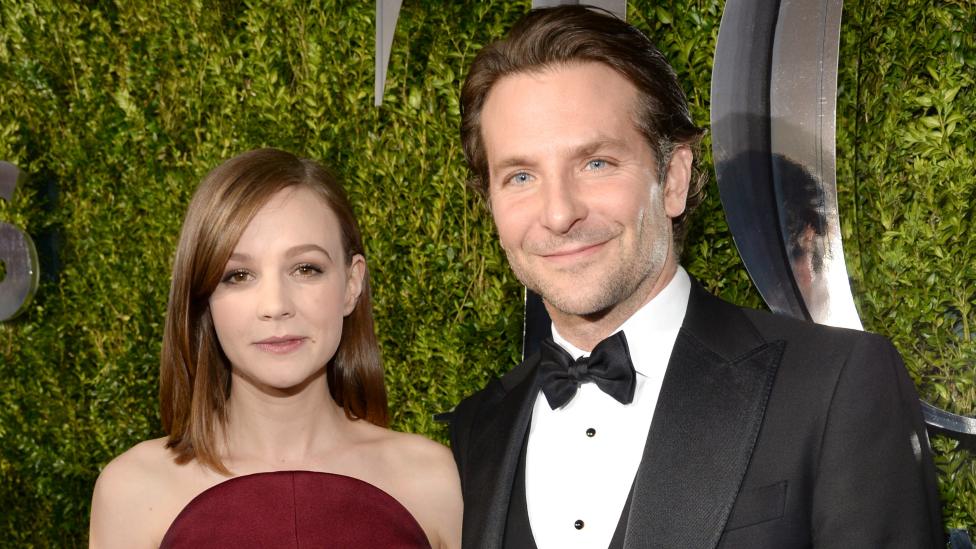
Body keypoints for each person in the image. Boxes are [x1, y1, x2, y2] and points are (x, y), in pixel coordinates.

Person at [449, 5, 943, 548]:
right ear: (491, 206)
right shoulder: (480, 427)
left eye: (597, 163)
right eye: (520, 176)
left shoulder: (835, 385)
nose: (559, 213)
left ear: (674, 179)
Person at [90, 149, 461, 548]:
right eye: (238, 275)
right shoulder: (133, 491)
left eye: (305, 269)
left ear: (352, 285)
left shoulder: (433, 481)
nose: (275, 306)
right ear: (204, 299)